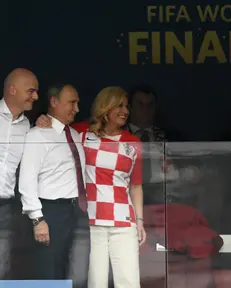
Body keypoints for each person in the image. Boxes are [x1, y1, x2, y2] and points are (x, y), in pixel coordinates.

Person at [36, 86, 146, 287]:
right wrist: (43, 120)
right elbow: (56, 129)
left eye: (127, 106)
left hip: (123, 220)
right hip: (90, 221)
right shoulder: (81, 133)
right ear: (105, 108)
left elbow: (136, 186)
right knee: (96, 282)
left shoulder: (133, 142)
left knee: (129, 281)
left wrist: (139, 221)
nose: (126, 111)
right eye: (119, 106)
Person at [18, 83, 87, 280]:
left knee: (67, 267)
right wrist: (38, 219)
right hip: (50, 212)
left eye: (78, 103)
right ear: (54, 102)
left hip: (75, 211)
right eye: (72, 103)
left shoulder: (74, 134)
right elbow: (27, 180)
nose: (77, 109)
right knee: (49, 269)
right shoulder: (37, 135)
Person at [0, 68, 38, 278]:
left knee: (2, 266)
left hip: (5, 207)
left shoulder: (28, 127)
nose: (36, 96)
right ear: (13, 90)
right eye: (31, 91)